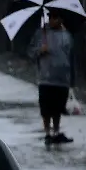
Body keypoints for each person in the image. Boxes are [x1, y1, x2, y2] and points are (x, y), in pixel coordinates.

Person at [27, 10, 75, 145]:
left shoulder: (67, 36)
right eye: (50, 17)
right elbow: (30, 52)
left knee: (58, 107)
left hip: (62, 79)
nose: (51, 20)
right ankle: (47, 133)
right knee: (46, 108)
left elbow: (71, 57)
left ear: (61, 19)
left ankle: (56, 132)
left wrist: (72, 79)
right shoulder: (41, 34)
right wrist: (39, 51)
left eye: (55, 17)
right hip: (46, 77)